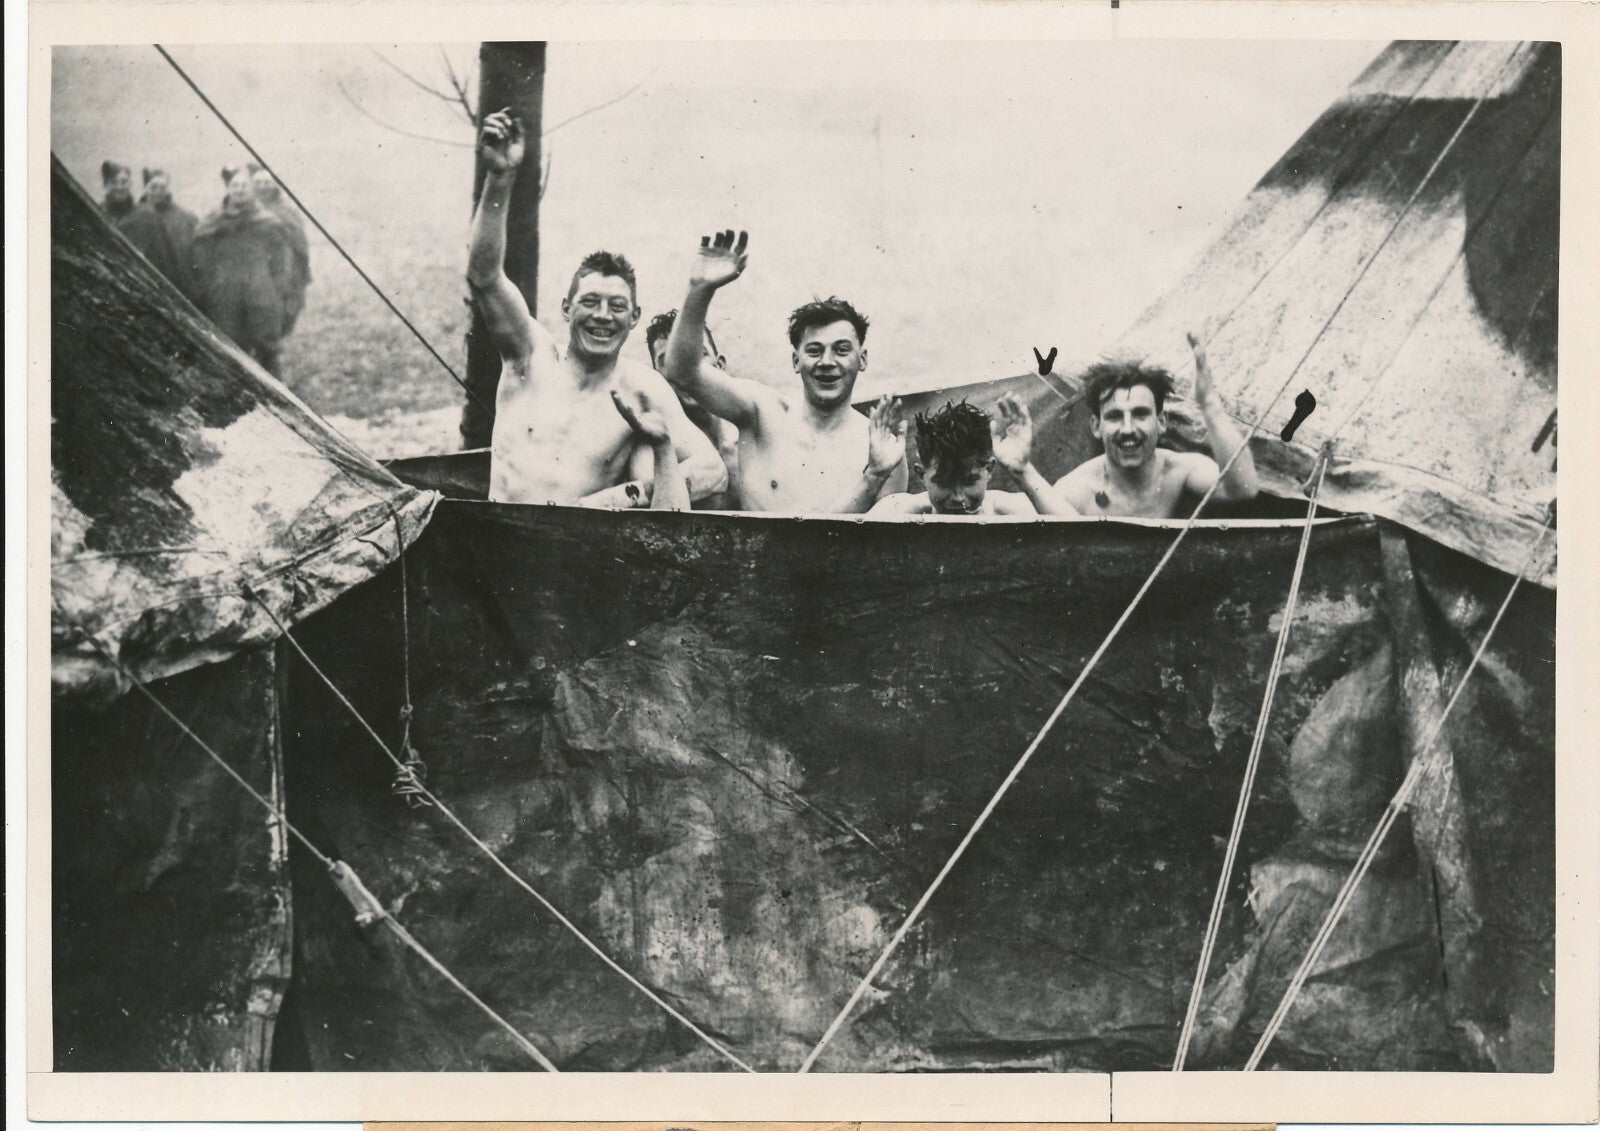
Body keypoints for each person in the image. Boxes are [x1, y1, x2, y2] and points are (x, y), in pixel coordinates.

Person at [467, 110, 725, 509]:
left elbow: (712, 470)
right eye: (590, 302)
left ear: (634, 317)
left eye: (617, 306)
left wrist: (616, 499)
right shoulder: (529, 357)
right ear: (567, 309)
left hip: (578, 553)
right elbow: (484, 275)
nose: (603, 315)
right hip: (500, 543)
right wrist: (499, 180)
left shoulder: (641, 387)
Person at [663, 229, 908, 513]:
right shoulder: (762, 414)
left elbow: (883, 545)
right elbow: (683, 372)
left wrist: (875, 475)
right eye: (814, 351)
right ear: (795, 360)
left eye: (841, 350)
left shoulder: (880, 446)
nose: (827, 361)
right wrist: (699, 290)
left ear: (862, 359)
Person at [1055, 333, 1259, 518]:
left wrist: (1209, 404)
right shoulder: (1073, 490)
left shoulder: (1180, 469)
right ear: (1096, 426)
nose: (1128, 429)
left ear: (1161, 422)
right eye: (1115, 416)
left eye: (1140, 414)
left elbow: (1244, 489)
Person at [868, 397, 1078, 517]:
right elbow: (837, 547)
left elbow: (1083, 543)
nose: (959, 498)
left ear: (989, 470)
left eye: (969, 481)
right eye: (944, 483)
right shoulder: (902, 511)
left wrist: (1023, 472)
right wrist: (874, 475)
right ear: (921, 475)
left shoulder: (1007, 511)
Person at [193, 164, 296, 375]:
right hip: (224, 298)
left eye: (244, 186)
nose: (239, 190)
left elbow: (281, 263)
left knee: (267, 353)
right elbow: (200, 261)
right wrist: (211, 287)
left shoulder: (268, 223)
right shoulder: (213, 223)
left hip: (262, 298)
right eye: (235, 185)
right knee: (229, 353)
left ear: (252, 190)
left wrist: (275, 292)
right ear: (228, 189)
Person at [646, 309, 741, 510]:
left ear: (721, 364)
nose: (683, 369)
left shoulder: (748, 441)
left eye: (699, 354)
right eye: (668, 360)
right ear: (655, 377)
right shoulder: (652, 445)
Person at [117, 168, 201, 304]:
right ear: (145, 187)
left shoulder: (185, 218)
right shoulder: (132, 217)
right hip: (143, 286)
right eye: (153, 186)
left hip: (177, 287)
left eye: (162, 187)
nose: (157, 192)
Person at [250, 165, 312, 334]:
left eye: (267, 182)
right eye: (258, 183)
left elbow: (299, 245)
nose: (263, 187)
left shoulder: (287, 211)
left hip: (284, 271)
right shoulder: (245, 209)